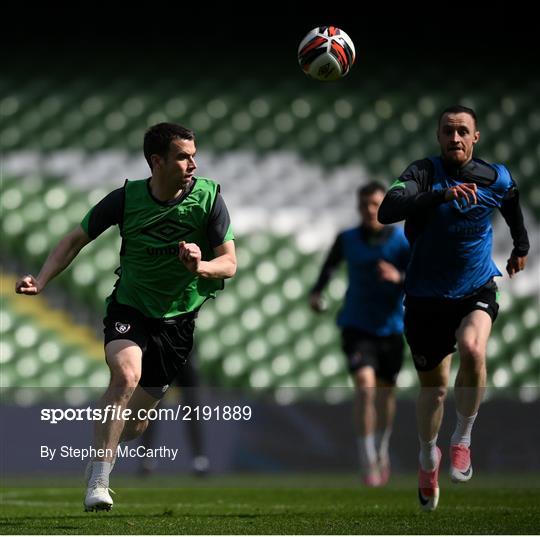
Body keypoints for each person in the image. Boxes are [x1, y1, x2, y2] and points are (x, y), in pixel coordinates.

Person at [15, 123, 236, 512]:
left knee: (135, 427)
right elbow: (73, 240)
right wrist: (43, 279)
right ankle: (99, 481)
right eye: (184, 156)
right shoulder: (125, 198)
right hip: (130, 309)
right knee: (125, 377)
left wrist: (200, 266)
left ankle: (100, 456)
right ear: (157, 161)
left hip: (178, 322)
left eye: (194, 155)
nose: (193, 164)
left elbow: (230, 263)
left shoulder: (209, 198)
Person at [378, 105, 529, 511]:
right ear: (439, 136)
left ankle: (462, 439)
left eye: (463, 131)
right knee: (436, 389)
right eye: (448, 131)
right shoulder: (421, 173)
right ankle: (429, 460)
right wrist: (440, 195)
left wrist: (521, 247)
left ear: (475, 137)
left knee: (474, 348)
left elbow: (511, 202)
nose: (455, 138)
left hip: (476, 287)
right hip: (426, 298)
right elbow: (387, 210)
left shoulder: (495, 176)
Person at [309, 181, 410, 487]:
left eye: (376, 204)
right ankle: (366, 456)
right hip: (356, 325)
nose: (370, 210)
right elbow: (329, 268)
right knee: (365, 388)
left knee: (385, 393)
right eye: (365, 204)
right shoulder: (347, 239)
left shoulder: (403, 241)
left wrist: (399, 276)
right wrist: (317, 293)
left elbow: (422, 277)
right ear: (358, 207)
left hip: (391, 328)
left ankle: (381, 448)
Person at [137, 348, 210, 477]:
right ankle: (146, 459)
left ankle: (199, 460)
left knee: (192, 407)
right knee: (151, 406)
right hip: (159, 352)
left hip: (183, 351)